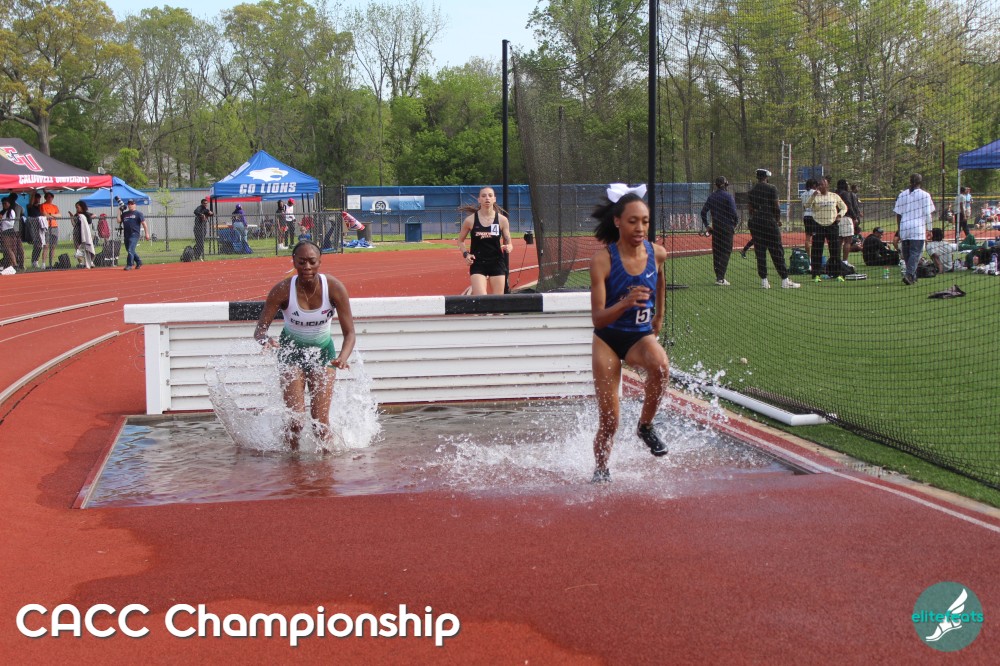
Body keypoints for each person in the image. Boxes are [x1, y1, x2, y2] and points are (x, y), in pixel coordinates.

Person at [588, 183, 670, 483]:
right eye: (633, 221)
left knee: (661, 367)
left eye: (645, 221)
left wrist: (659, 315)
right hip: (608, 339)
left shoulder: (657, 253)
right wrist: (625, 302)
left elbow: (660, 281)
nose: (640, 228)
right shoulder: (603, 260)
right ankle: (601, 469)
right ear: (617, 221)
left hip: (638, 336)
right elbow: (598, 319)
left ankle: (646, 427)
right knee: (610, 421)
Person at [254, 240, 357, 451]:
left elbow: (350, 333)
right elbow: (260, 331)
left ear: (320, 262)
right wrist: (266, 340)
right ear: (294, 262)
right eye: (301, 262)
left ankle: (327, 461)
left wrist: (342, 358)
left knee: (320, 424)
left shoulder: (334, 288)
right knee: (296, 422)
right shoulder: (282, 290)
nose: (307, 267)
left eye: (312, 262)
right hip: (291, 354)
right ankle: (291, 461)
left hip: (323, 355)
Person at [747, 168, 800, 288]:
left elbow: (750, 209)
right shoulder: (772, 188)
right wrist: (777, 220)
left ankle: (764, 281)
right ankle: (784, 280)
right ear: (766, 177)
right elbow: (776, 207)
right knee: (776, 251)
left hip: (756, 223)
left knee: (760, 252)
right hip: (769, 222)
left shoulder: (751, 191)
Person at [456, 186, 513, 295]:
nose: (487, 198)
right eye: (483, 196)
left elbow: (508, 241)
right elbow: (460, 241)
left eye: (490, 195)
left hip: (497, 262)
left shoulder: (502, 220)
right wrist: (466, 254)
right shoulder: (470, 220)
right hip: (478, 263)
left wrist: (509, 246)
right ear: (479, 199)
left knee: (498, 301)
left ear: (494, 199)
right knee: (481, 299)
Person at [893, 173, 935, 285]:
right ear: (920, 182)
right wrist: (930, 229)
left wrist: (900, 229)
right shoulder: (925, 195)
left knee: (907, 254)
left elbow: (898, 214)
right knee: (915, 253)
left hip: (904, 226)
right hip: (917, 227)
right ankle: (909, 274)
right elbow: (928, 214)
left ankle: (913, 275)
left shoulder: (902, 195)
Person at [699, 176, 739, 285]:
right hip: (727, 228)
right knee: (726, 251)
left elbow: (703, 212)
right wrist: (735, 223)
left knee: (717, 252)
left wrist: (707, 225)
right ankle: (721, 278)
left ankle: (718, 277)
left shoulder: (712, 196)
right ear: (725, 184)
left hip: (716, 228)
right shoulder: (728, 196)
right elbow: (734, 213)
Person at [807, 176, 848, 281]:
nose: (820, 186)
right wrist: (813, 196)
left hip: (832, 225)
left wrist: (840, 215)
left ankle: (837, 274)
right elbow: (806, 206)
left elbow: (844, 207)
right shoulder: (815, 196)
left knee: (835, 250)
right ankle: (816, 275)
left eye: (822, 184)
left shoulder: (834, 196)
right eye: (819, 185)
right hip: (818, 225)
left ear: (827, 185)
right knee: (817, 251)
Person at [835, 179, 861, 270]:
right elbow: (848, 206)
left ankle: (836, 260)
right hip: (846, 218)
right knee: (848, 241)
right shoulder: (846, 194)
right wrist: (854, 217)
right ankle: (845, 261)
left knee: (839, 241)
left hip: (837, 218)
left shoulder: (835, 193)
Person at [120, 199, 150, 270]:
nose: (130, 205)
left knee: (130, 249)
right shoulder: (125, 214)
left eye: (132, 204)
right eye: (129, 204)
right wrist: (119, 210)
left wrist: (147, 233)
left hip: (134, 234)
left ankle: (129, 265)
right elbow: (119, 220)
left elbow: (144, 224)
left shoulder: (138, 213)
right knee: (129, 250)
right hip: (126, 234)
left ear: (135, 205)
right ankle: (139, 261)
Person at [72, 200, 96, 269]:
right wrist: (72, 218)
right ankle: (81, 263)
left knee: (88, 247)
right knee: (78, 249)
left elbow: (90, 220)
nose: (77, 209)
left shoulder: (86, 214)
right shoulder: (76, 215)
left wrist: (89, 217)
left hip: (84, 234)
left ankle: (90, 262)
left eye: (78, 207)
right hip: (77, 233)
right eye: (76, 207)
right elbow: (74, 224)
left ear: (82, 207)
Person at [26, 192, 46, 269]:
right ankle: (34, 260)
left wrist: (45, 191)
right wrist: (33, 193)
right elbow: (31, 204)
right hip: (32, 226)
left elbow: (47, 201)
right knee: (37, 244)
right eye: (36, 198)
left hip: (40, 227)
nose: (38, 199)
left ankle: (35, 260)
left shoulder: (40, 206)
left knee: (40, 244)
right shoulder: (29, 206)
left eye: (39, 198)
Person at [41, 191, 60, 268]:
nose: (50, 198)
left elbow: (59, 215)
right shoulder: (43, 205)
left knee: (53, 246)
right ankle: (43, 263)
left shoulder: (55, 206)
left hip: (55, 226)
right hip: (47, 227)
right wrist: (52, 216)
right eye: (48, 197)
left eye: (51, 197)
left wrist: (51, 214)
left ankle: (51, 263)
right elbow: (45, 215)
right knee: (46, 245)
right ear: (45, 198)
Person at [0, 198, 20, 271]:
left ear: (9, 203)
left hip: (9, 231)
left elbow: (11, 223)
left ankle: (15, 264)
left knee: (9, 249)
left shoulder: (11, 211)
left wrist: (3, 219)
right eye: (3, 203)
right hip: (3, 231)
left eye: (5, 203)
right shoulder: (3, 212)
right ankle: (9, 264)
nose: (4, 205)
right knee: (6, 249)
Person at [801, 178, 819, 252]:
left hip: (806, 216)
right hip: (814, 216)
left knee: (807, 238)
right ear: (814, 185)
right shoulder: (816, 192)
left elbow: (804, 206)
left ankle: (809, 256)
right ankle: (815, 255)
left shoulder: (803, 194)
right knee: (816, 237)